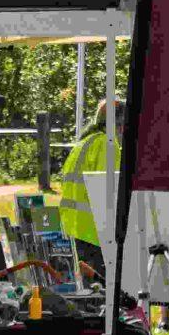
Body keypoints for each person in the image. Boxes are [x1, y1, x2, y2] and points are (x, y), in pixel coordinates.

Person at [54, 98, 118, 276]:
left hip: (71, 231)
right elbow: (110, 192)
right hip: (93, 235)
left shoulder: (83, 143)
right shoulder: (107, 145)